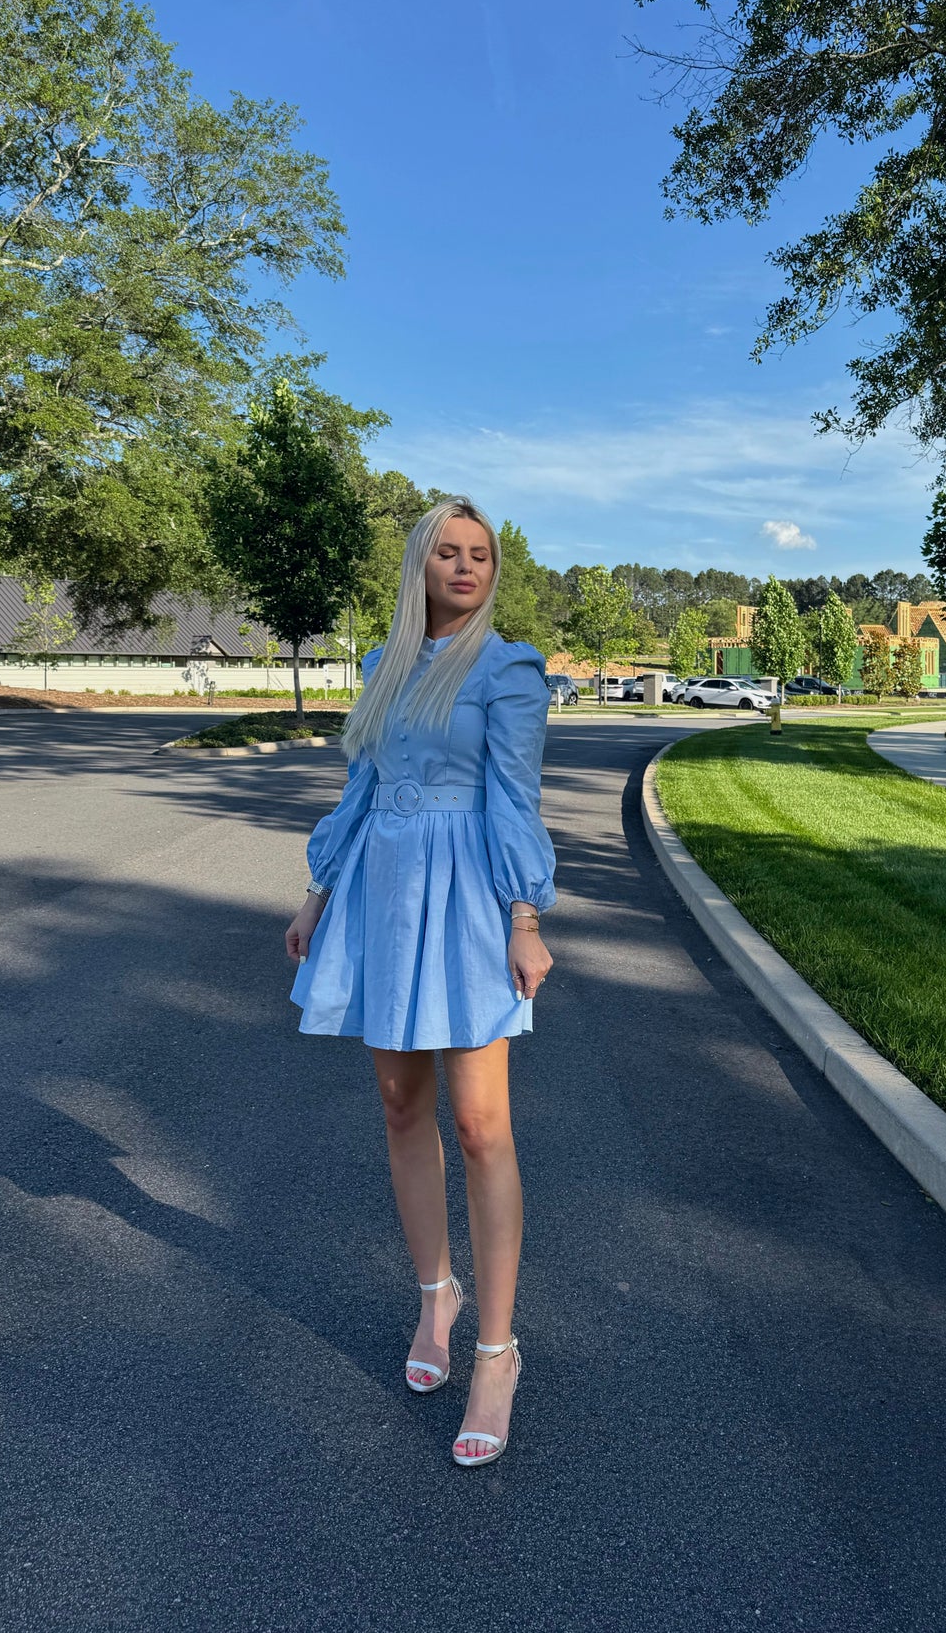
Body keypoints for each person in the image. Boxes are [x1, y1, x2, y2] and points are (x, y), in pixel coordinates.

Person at [285, 497, 555, 1468]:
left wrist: (526, 917)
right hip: (380, 892)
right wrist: (315, 897)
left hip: (471, 898)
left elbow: (515, 798)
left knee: (481, 1124)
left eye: (480, 554)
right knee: (401, 1107)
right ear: (419, 565)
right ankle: (434, 1295)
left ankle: (497, 1350)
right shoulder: (381, 666)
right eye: (446, 551)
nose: (465, 566)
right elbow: (357, 791)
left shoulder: (507, 668)